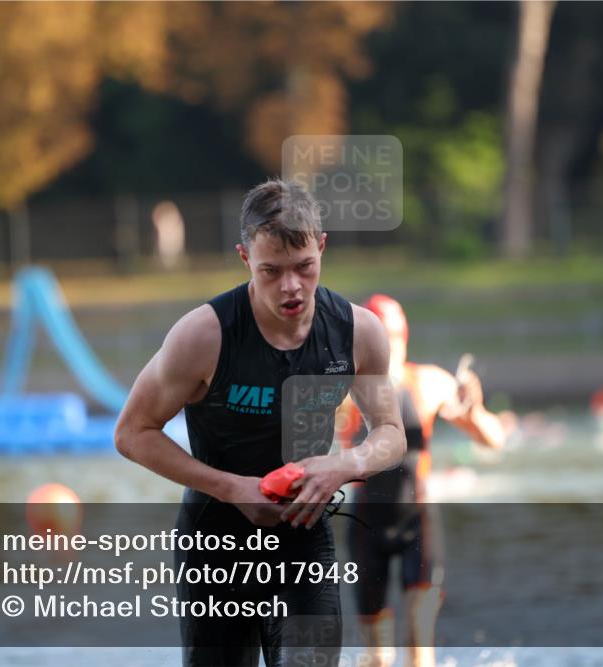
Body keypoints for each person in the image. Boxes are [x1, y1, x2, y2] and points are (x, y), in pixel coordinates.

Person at [115, 178, 406, 667]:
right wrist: (231, 487)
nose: (291, 286)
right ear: (246, 258)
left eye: (304, 267)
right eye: (271, 271)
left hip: (304, 537)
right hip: (216, 543)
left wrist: (345, 464)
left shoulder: (358, 332)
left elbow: (391, 433)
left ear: (322, 247)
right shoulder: (202, 336)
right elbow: (132, 433)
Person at [338, 294, 506, 667]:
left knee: (418, 645)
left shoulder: (428, 383)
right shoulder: (345, 390)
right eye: (381, 336)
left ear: (404, 337)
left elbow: (493, 440)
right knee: (378, 657)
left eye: (395, 336)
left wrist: (474, 411)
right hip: (366, 526)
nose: (390, 345)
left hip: (418, 524)